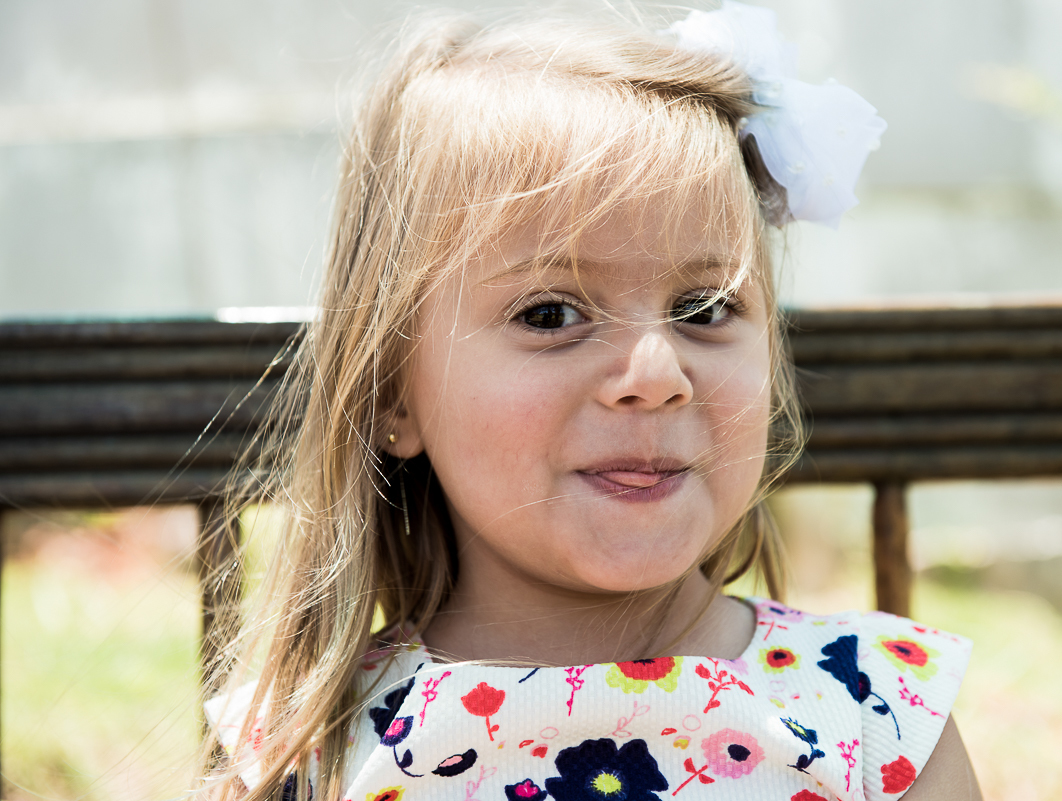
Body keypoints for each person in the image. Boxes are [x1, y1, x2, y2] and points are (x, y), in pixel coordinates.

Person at [201, 3, 980, 799]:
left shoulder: (875, 716)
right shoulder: (309, 755)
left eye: (706, 308)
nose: (656, 371)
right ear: (392, 393)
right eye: (549, 315)